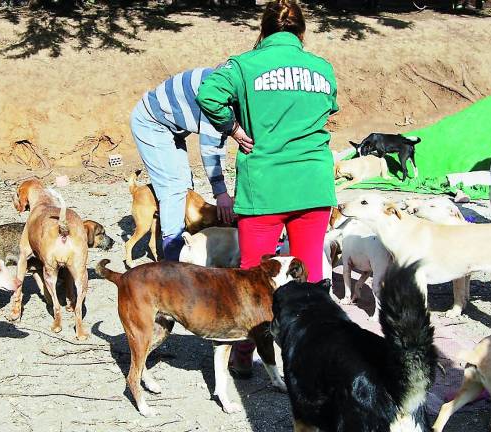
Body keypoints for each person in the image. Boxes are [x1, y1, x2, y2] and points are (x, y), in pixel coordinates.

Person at [196, 0, 338, 377]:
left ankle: (244, 355)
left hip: (265, 187)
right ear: (302, 34)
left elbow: (208, 95)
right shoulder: (323, 69)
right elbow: (328, 109)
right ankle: (304, 360)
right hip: (313, 185)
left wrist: (234, 128)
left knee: (251, 281)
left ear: (262, 32)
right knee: (305, 279)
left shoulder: (244, 65)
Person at [130, 67, 235, 261]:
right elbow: (212, 147)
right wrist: (221, 193)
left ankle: (189, 248)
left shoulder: (239, 82)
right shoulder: (219, 95)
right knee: (173, 188)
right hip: (151, 121)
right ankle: (174, 256)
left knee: (186, 188)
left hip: (174, 127)